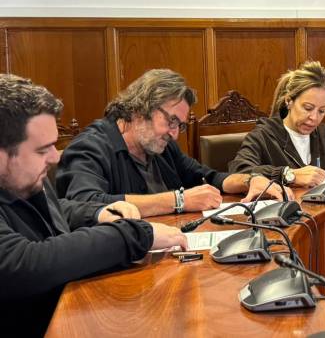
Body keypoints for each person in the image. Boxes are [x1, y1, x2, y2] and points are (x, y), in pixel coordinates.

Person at [0, 74, 187, 336]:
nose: (55, 158)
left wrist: (98, 213)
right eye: (42, 150)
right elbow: (24, 263)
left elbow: (53, 209)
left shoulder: (21, 178)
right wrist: (136, 235)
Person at [57, 69, 290, 217]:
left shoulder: (161, 145)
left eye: (180, 125)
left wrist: (250, 181)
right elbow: (85, 203)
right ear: (140, 109)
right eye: (171, 121)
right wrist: (178, 201)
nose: (175, 133)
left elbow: (206, 176)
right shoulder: (90, 147)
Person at [229, 61, 325, 186]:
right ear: (289, 101)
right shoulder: (263, 136)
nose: (314, 118)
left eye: (321, 111)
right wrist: (288, 175)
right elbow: (239, 173)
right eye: (308, 108)